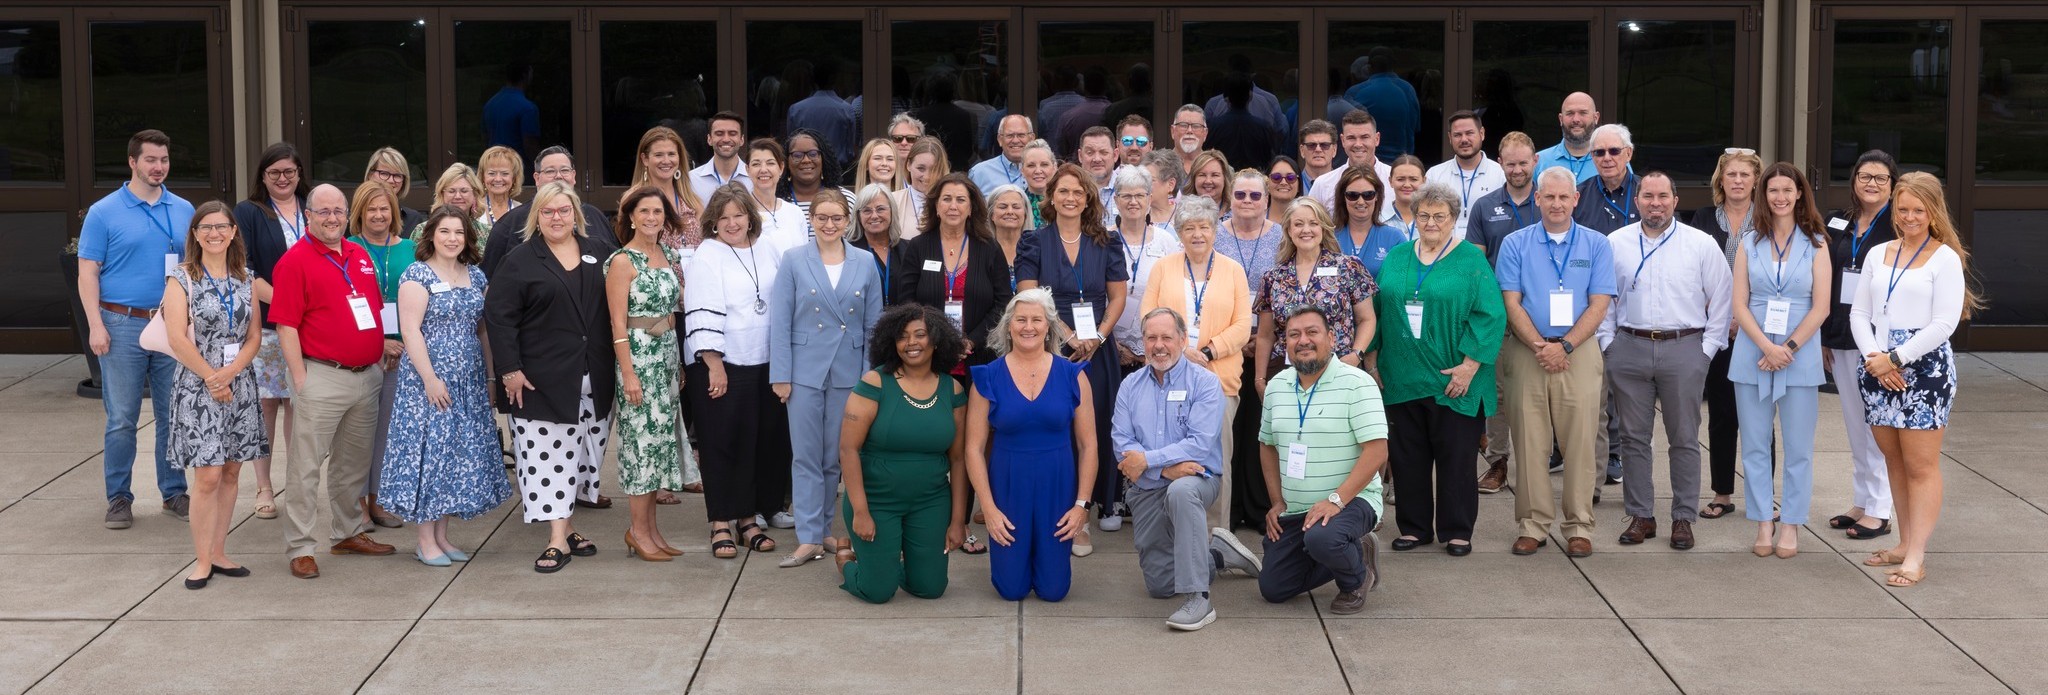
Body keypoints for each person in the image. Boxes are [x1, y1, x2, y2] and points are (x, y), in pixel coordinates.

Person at [1850, 171, 1977, 588]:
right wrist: (1875, 357)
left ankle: (1916, 556)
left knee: (1921, 466)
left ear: (1933, 211)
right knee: (1894, 461)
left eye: (1918, 210)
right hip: (1876, 366)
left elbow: (1943, 324)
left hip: (1923, 370)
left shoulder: (1945, 258)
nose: (1908, 217)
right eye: (1902, 209)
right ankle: (1904, 543)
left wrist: (1895, 358)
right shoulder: (1877, 254)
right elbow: (1859, 313)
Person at [1367, 181, 1505, 556]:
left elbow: (1491, 315)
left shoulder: (1470, 261)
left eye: (1439, 216)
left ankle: (1457, 530)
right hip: (1401, 375)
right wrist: (1372, 357)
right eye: (1423, 214)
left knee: (1456, 458)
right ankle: (1414, 529)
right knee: (1407, 456)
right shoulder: (1397, 256)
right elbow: (1378, 311)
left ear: (1454, 219)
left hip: (1454, 378)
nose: (1430, 222)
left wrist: (1469, 366)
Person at [487, 181, 618, 573]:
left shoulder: (600, 252)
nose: (556, 218)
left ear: (576, 214)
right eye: (548, 212)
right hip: (538, 380)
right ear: (536, 217)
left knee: (580, 458)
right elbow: (499, 317)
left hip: (593, 377)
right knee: (546, 461)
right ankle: (558, 539)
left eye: (563, 210)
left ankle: (568, 524)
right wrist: (508, 369)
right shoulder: (520, 260)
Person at [1597, 172, 1732, 550]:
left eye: (1662, 196)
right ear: (1636, 200)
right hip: (1629, 346)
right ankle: (1641, 515)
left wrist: (1706, 351)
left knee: (1684, 438)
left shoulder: (1700, 244)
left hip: (1684, 348)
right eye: (1648, 196)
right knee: (1633, 438)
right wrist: (1609, 344)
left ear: (1675, 200)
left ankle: (1683, 518)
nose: (1655, 203)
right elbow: (1604, 298)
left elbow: (1722, 298)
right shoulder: (1615, 243)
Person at [271, 183, 398, 579]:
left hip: (366, 376)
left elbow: (372, 310)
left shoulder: (358, 254)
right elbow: (286, 326)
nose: (331, 218)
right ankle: (301, 547)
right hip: (321, 376)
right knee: (306, 466)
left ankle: (347, 532)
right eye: (322, 211)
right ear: (308, 216)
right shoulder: (294, 261)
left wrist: (377, 353)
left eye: (337, 211)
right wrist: (301, 379)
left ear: (347, 214)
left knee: (353, 464)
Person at [1112, 308, 1262, 630]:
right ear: (1143, 342)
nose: (1159, 345)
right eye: (1151, 338)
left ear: (1182, 340)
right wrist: (1164, 470)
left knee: (1182, 490)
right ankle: (1218, 556)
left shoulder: (1206, 383)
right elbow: (1122, 444)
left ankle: (1199, 599)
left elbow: (1199, 443)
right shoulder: (1130, 387)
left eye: (1167, 337)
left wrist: (1150, 461)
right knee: (1160, 585)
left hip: (1199, 478)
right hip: (1150, 485)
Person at [378, 205, 509, 566]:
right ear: (431, 235)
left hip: (467, 378)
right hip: (428, 379)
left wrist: (489, 376)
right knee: (430, 455)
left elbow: (482, 329)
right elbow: (411, 330)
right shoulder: (416, 275)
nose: (452, 239)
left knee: (455, 456)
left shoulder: (476, 276)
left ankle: (442, 535)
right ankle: (424, 540)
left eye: (459, 233)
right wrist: (430, 379)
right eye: (445, 232)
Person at [1496, 167, 1616, 559]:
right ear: (1537, 198)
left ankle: (1579, 525)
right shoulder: (1515, 244)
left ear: (1575, 200)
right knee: (1530, 442)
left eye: (1564, 197)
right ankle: (1533, 524)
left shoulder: (1597, 244)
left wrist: (1563, 346)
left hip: (1577, 353)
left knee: (1581, 441)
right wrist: (1538, 345)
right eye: (1549, 197)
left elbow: (1600, 303)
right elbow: (1510, 301)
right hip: (1527, 352)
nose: (1557, 204)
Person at [81, 129, 194, 530]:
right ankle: (119, 498)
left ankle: (174, 492)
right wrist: (95, 325)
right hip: (120, 323)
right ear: (132, 162)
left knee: (172, 415)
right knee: (122, 418)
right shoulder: (103, 212)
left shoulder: (183, 209)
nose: (158, 167)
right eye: (150, 160)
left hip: (170, 325)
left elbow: (194, 268)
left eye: (163, 160)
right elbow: (88, 272)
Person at [1016, 164, 1129, 545]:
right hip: (1048, 346)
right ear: (1051, 197)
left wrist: (1096, 336)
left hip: (1098, 349)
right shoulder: (1033, 241)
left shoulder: (1107, 241)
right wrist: (1064, 335)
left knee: (1094, 427)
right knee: (1058, 429)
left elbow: (1118, 297)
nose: (1070, 198)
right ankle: (1062, 513)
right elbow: (1029, 295)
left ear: (1088, 198)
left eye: (1078, 192)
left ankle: (1094, 506)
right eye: (1063, 191)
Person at [771, 192, 883, 567]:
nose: (829, 225)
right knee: (805, 455)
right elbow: (780, 321)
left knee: (836, 457)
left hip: (849, 370)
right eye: (822, 218)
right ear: (812, 220)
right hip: (803, 369)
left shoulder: (865, 261)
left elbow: (873, 326)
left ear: (848, 220)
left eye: (836, 218)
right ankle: (807, 536)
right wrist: (780, 375)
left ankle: (824, 531)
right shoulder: (793, 259)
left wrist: (870, 377)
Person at [966, 289, 1099, 602]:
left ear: (1049, 326)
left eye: (1037, 320)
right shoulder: (987, 377)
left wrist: (1082, 506)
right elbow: (973, 448)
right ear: (1008, 326)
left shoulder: (1073, 375)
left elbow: (1089, 444)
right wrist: (988, 508)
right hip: (1008, 487)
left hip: (1057, 486)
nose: (1029, 326)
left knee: (1054, 591)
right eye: (1021, 319)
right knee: (1010, 589)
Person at [1255, 305, 1388, 615]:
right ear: (1284, 343)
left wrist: (1336, 500)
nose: (1303, 340)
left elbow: (1377, 450)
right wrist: (1277, 502)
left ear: (1331, 337)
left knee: (1324, 537)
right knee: (1273, 588)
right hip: (1298, 508)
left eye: (1312, 332)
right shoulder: (1276, 387)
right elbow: (1267, 446)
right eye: (1294, 335)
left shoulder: (1357, 383)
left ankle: (1356, 578)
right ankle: (1352, 549)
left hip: (1353, 500)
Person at [1729, 163, 1832, 560]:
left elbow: (1821, 307)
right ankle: (1763, 522)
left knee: (1798, 447)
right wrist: (1766, 348)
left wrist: (1786, 347)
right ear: (1763, 195)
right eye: (1773, 190)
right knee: (1754, 445)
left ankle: (1790, 524)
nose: (1780, 197)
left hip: (1799, 354)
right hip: (1752, 354)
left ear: (1800, 194)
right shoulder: (1749, 242)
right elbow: (1739, 303)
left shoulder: (1817, 243)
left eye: (1787, 190)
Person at [161, 201, 266, 588]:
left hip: (239, 384)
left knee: (232, 470)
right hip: (198, 387)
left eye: (222, 227)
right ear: (195, 234)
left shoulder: (246, 278)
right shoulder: (181, 278)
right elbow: (175, 337)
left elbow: (254, 335)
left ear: (233, 232)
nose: (214, 233)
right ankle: (202, 559)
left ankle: (220, 551)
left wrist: (231, 372)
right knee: (206, 475)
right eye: (205, 227)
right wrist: (212, 377)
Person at [838, 304, 972, 602]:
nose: (911, 343)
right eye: (902, 337)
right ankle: (847, 563)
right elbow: (848, 449)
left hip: (930, 501)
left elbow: (959, 459)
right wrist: (861, 511)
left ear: (936, 340)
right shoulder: (874, 382)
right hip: (877, 501)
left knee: (931, 588)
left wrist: (957, 520)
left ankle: (887, 563)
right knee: (878, 591)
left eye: (920, 335)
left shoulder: (953, 390)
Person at [685, 184, 789, 559]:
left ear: (750, 217)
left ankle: (748, 520)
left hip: (764, 362)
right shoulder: (707, 255)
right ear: (713, 222)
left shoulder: (767, 249)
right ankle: (720, 524)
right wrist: (713, 364)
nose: (732, 223)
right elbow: (700, 307)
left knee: (757, 443)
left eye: (738, 215)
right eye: (723, 217)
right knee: (720, 444)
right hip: (722, 364)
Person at [1140, 197, 1255, 530]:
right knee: (1173, 455)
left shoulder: (1233, 270)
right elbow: (1149, 316)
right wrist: (1177, 351)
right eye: (1189, 228)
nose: (1197, 234)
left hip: (1218, 378)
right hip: (1170, 377)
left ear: (1214, 231)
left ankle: (1215, 537)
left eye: (1204, 227)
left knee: (1216, 459)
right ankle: (1175, 533)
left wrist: (1206, 352)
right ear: (1179, 233)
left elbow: (1242, 322)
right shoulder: (1164, 267)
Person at [605, 187, 692, 562]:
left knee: (660, 446)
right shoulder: (623, 261)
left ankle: (653, 531)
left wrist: (680, 363)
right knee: (641, 446)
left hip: (667, 358)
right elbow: (616, 322)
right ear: (631, 216)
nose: (652, 218)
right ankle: (637, 531)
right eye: (645, 211)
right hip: (638, 360)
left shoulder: (669, 255)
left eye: (658, 211)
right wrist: (628, 372)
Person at [1823, 150, 1901, 540]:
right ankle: (1862, 500)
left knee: (1877, 427)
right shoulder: (1840, 220)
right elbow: (1826, 276)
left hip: (1878, 341)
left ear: (1892, 184)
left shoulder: (1899, 223)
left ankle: (1881, 509)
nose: (1871, 183)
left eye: (1880, 178)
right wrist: (1823, 337)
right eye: (1864, 176)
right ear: (1854, 180)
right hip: (1840, 333)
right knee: (1856, 425)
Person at [1688, 148, 1766, 520]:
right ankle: (1722, 493)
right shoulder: (1702, 218)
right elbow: (1692, 274)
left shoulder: (1767, 219)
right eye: (1731, 175)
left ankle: (1761, 495)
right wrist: (1721, 317)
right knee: (1722, 413)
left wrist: (1744, 318)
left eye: (1744, 175)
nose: (1737, 181)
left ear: (1756, 181)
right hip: (1716, 330)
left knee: (1760, 416)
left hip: (1756, 331)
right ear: (1721, 180)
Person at [232, 141, 306, 522]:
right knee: (266, 406)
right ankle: (263, 487)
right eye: (274, 172)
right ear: (263, 176)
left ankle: (295, 484)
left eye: (289, 172)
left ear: (298, 174)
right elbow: (243, 269)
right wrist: (285, 306)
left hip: (307, 325)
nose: (282, 179)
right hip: (268, 324)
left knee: (299, 402)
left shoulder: (311, 210)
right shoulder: (249, 212)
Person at [1464, 130, 1541, 493]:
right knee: (1497, 395)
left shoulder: (1548, 201)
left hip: (1542, 315)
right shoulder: (1484, 206)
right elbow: (1476, 264)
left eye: (1523, 162)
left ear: (1535, 161)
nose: (1517, 169)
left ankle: (1538, 462)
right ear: (1500, 163)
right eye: (1510, 163)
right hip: (1499, 317)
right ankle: (1498, 462)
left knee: (1541, 392)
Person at [1253, 196, 1377, 389]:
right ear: (1289, 230)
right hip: (1287, 373)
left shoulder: (1348, 267)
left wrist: (1356, 355)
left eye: (1313, 223)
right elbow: (1266, 335)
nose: (1306, 230)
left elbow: (1367, 319)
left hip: (1339, 370)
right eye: (1298, 224)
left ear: (1323, 228)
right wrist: (1260, 380)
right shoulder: (1273, 277)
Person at [347, 180, 412, 530]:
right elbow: (346, 305)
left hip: (403, 354)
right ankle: (356, 504)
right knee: (358, 434)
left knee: (387, 432)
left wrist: (403, 343)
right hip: (361, 353)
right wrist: (380, 342)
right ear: (359, 213)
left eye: (384, 208)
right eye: (371, 209)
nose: (378, 215)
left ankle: (379, 500)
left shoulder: (411, 249)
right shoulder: (347, 249)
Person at [482, 146, 614, 281]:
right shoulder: (510, 223)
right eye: (550, 171)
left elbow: (614, 266)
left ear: (573, 176)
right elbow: (490, 280)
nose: (558, 176)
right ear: (537, 178)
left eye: (564, 170)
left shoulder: (595, 216)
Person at [1109, 166, 1183, 382]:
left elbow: (1176, 294)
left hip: (1157, 349)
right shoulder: (1102, 240)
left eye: (1140, 195)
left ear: (1150, 199)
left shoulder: (1166, 241)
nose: (1133, 201)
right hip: (1109, 346)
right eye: (1127, 196)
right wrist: (1112, 344)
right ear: (1116, 200)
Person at [1425, 111, 1505, 240]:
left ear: (1482, 133)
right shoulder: (1435, 175)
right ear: (1450, 137)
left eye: (1469, 133)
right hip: (1444, 254)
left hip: (1487, 254)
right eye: (1457, 135)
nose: (1464, 139)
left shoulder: (1500, 174)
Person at [1308, 110, 1396, 221]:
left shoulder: (1396, 180)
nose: (1358, 144)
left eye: (1364, 137)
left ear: (1376, 139)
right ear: (1343, 140)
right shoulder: (1323, 184)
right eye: (1351, 138)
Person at [1343, 48, 1420, 160]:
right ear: (1393, 65)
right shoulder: (1407, 89)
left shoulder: (1355, 92)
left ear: (1369, 68)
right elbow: (1415, 127)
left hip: (1365, 161)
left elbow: (1345, 129)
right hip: (1401, 161)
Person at [1330, 166, 1405, 278]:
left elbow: (1403, 280)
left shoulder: (1394, 238)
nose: (1361, 201)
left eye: (1368, 195)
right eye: (1353, 195)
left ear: (1377, 196)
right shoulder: (1329, 237)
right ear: (1343, 197)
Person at [784, 61, 858, 167]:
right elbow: (850, 149)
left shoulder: (796, 109)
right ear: (834, 79)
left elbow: (791, 144)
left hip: (806, 166)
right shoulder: (846, 109)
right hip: (837, 168)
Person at [1572, 124, 1642, 234]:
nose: (1607, 158)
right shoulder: (1578, 196)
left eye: (1614, 151)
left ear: (1628, 153)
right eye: (1599, 152)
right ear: (1592, 156)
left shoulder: (1647, 192)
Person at [746, 138, 808, 253]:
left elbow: (803, 257)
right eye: (756, 164)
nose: (763, 170)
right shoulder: (741, 212)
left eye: (770, 163)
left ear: (781, 168)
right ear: (747, 169)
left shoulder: (795, 212)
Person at [1207, 74, 1278, 174]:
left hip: (1224, 179)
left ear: (1226, 98)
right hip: (1253, 181)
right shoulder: (1263, 127)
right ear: (1250, 96)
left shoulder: (1213, 126)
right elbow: (1269, 160)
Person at [890, 136, 950, 242]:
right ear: (908, 165)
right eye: (920, 168)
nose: (927, 176)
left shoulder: (953, 203)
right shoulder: (892, 201)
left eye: (933, 169)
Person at [1536, 92, 1604, 184]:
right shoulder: (1538, 161)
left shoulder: (1614, 161)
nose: (1576, 119)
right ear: (1561, 119)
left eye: (1583, 113)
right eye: (1570, 113)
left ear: (1596, 117)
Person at [784, 129, 852, 217]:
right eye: (797, 155)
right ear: (786, 161)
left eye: (813, 154)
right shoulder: (774, 201)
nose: (806, 160)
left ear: (824, 159)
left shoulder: (846, 199)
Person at [690, 111, 753, 205]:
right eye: (719, 133)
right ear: (709, 139)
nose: (726, 139)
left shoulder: (754, 178)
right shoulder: (691, 180)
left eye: (732, 133)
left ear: (742, 140)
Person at [851, 184, 899, 302]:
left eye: (880, 209)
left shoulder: (908, 249)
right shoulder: (848, 251)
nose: (874, 216)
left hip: (903, 319)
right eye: (867, 210)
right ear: (858, 216)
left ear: (892, 211)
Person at [483, 62, 541, 159]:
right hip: (518, 168)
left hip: (493, 163)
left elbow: (485, 139)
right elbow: (530, 146)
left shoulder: (489, 105)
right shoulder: (527, 108)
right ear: (525, 76)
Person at [970, 114, 1035, 196]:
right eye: (1010, 135)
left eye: (1021, 135)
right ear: (1000, 139)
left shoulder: (1045, 171)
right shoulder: (979, 173)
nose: (1015, 140)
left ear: (1031, 138)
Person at [363, 147, 426, 231]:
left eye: (397, 175)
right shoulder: (356, 217)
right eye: (384, 173)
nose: (391, 180)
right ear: (370, 175)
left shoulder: (413, 219)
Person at [987, 185, 1031, 289]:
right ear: (992, 215)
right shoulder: (982, 250)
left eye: (1016, 207)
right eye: (1003, 207)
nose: (1010, 211)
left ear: (1025, 214)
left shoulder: (1036, 249)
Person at [476, 145, 524, 230]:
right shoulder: (474, 209)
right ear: (483, 176)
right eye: (492, 173)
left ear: (514, 178)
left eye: (505, 173)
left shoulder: (522, 211)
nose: (498, 179)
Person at [1076, 127, 1121, 217]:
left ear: (1115, 155)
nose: (1097, 159)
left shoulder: (1129, 189)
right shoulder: (1071, 191)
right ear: (1080, 156)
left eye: (1104, 152)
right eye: (1090, 152)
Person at [1018, 140, 1058, 229]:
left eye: (1044, 164)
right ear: (1022, 170)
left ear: (1054, 167)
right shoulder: (1016, 205)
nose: (1038, 171)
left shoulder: (1064, 202)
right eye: (1031, 165)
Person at [1384, 155, 1426, 237]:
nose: (1407, 185)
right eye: (1400, 179)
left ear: (1424, 181)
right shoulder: (1378, 220)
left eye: (1413, 179)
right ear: (1390, 181)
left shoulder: (1433, 220)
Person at [1141, 150, 1183, 225]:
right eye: (1142, 179)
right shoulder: (1138, 217)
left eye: (1150, 180)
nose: (1143, 184)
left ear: (1170, 184)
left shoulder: (1185, 218)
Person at [1265, 156, 1303, 228]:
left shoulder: (1310, 220)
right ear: (1267, 183)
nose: (1283, 182)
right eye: (1276, 177)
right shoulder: (1256, 220)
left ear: (1299, 185)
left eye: (1290, 177)